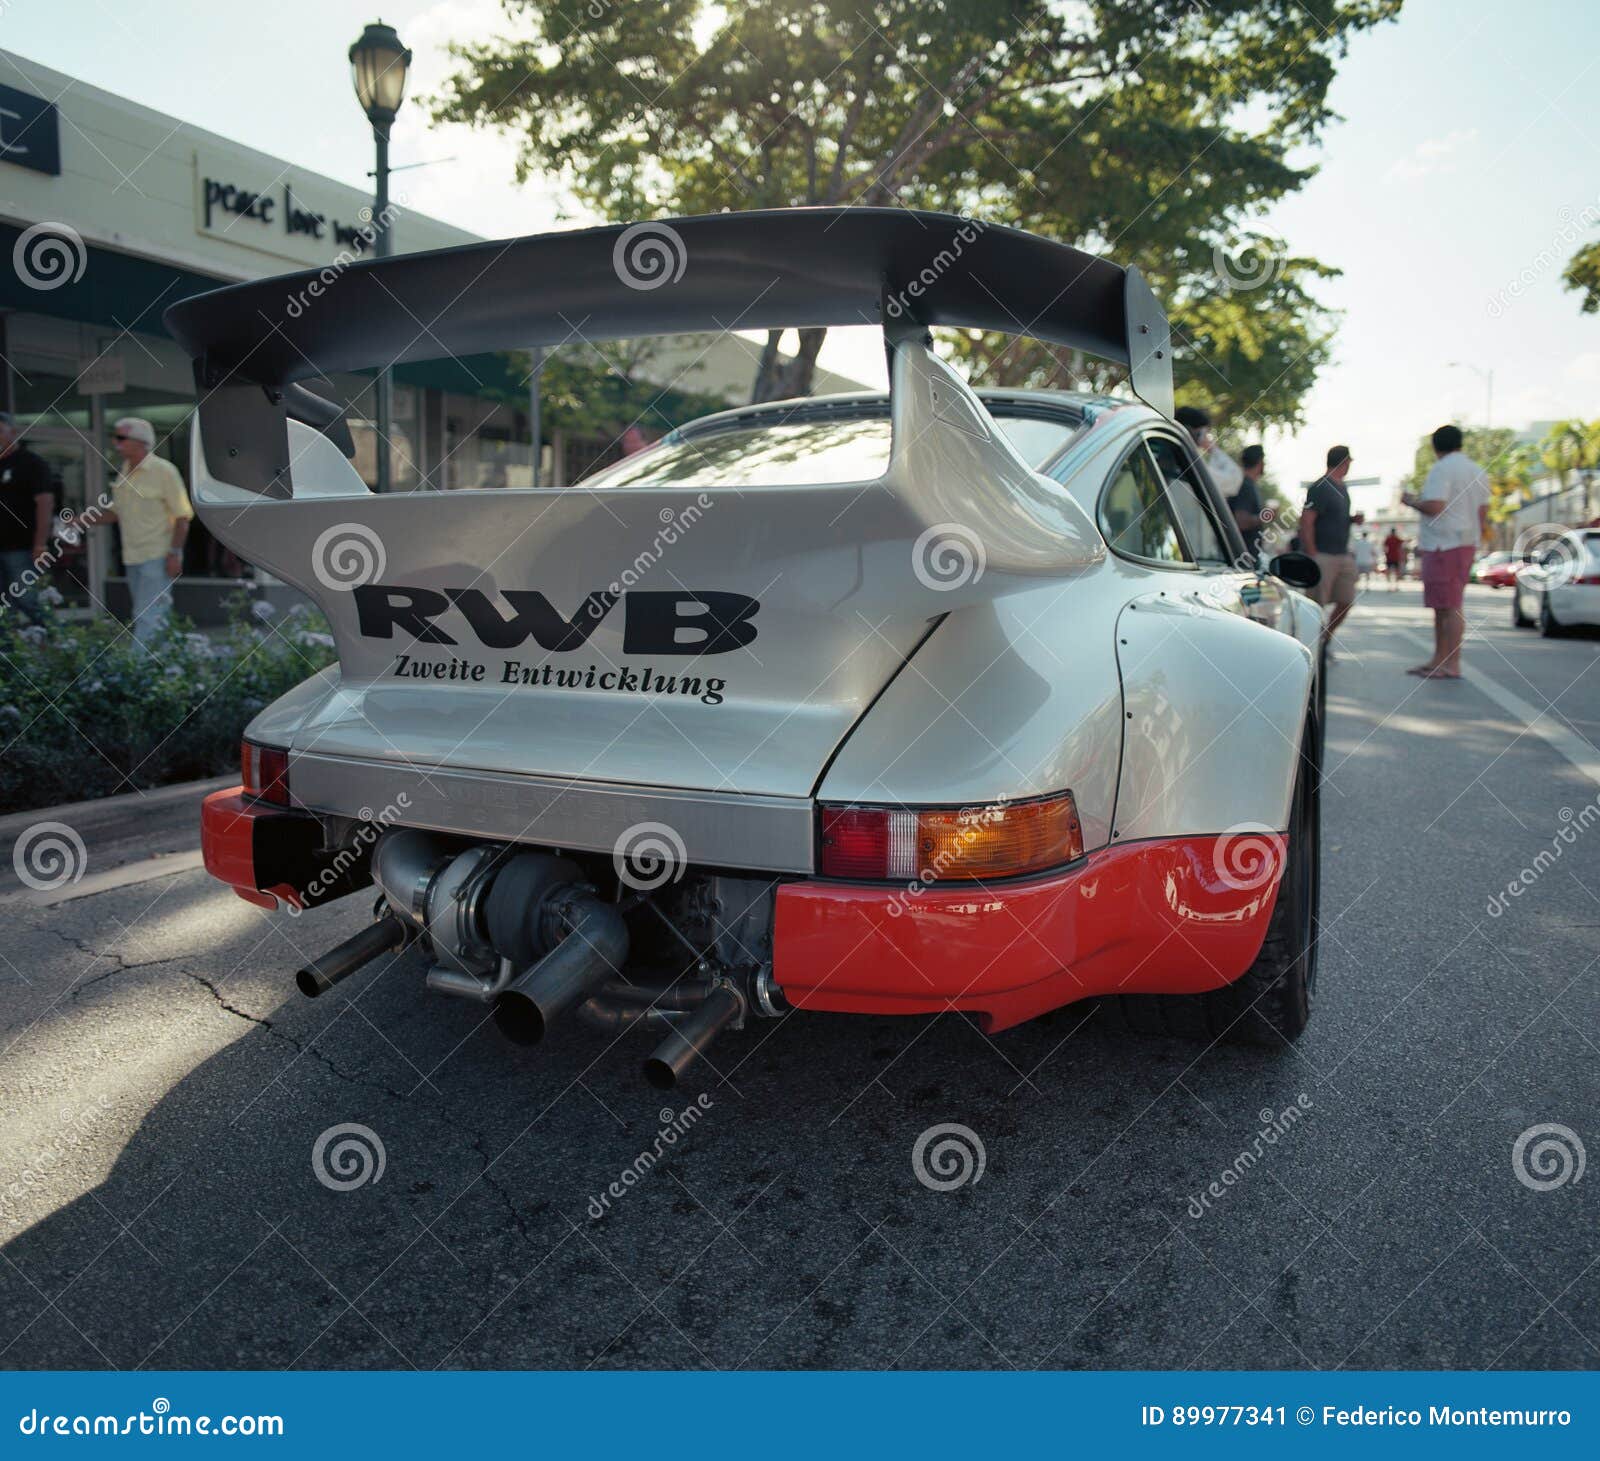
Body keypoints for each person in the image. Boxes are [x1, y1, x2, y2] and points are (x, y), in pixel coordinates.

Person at [89, 418, 193, 644]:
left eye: (121, 438)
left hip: (158, 555)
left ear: (141, 441)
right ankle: (166, 666)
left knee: (148, 615)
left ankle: (140, 668)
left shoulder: (164, 471)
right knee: (150, 614)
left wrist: (175, 553)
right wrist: (80, 521)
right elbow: (115, 512)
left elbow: (182, 516)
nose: (116, 444)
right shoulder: (124, 471)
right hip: (132, 557)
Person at [1400, 424, 1489, 679]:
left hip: (1443, 544)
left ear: (1435, 447)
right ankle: (1439, 660)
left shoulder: (1442, 468)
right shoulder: (1476, 470)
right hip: (1463, 543)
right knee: (1444, 605)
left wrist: (1410, 501)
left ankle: (1451, 663)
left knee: (1449, 606)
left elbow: (1435, 506)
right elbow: (1483, 511)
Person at [1299, 445, 1357, 649]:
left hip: (1341, 553)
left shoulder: (1342, 487)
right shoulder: (1320, 487)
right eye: (1349, 461)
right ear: (1343, 462)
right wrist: (1312, 552)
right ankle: (1310, 645)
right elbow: (1307, 520)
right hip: (1322, 554)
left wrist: (1352, 520)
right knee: (1315, 605)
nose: (1350, 465)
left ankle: (1325, 637)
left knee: (1346, 600)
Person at [0, 414, 54, 623]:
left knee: (28, 598)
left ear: (12, 433)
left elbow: (45, 503)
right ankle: (9, 653)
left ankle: (63, 645)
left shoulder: (31, 463)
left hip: (21, 548)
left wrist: (40, 544)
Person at [1175, 405, 1242, 497]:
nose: (1206, 437)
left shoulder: (1168, 455)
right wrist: (1214, 449)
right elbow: (1233, 481)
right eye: (1205, 433)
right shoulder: (1189, 464)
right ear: (1195, 433)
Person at [1230, 444, 1267, 567]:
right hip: (1243, 560)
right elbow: (1241, 521)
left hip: (1246, 557)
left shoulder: (1246, 484)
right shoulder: (1246, 486)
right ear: (1260, 462)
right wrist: (1265, 516)